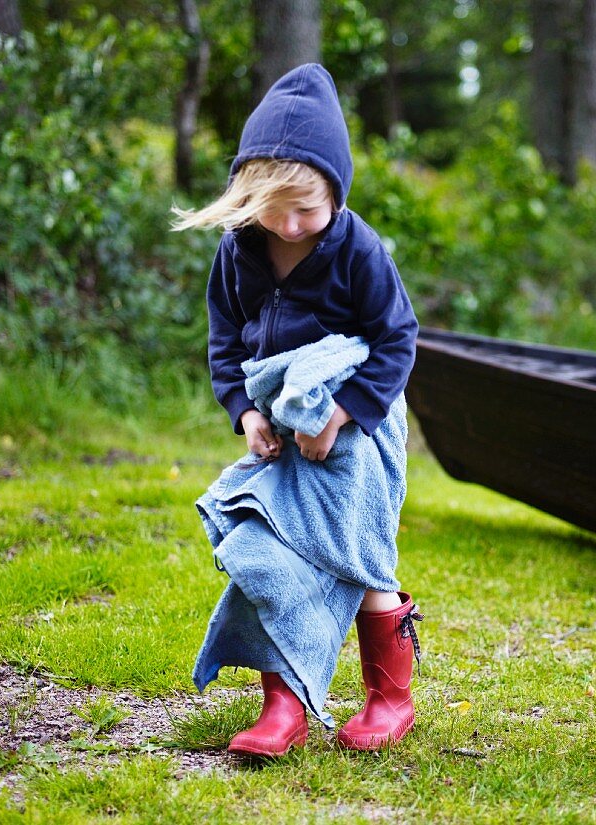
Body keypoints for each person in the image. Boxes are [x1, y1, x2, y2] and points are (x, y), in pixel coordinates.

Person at [172, 63, 421, 756]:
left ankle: (388, 699)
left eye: (306, 210)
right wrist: (243, 413)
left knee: (360, 555)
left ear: (337, 194)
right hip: (281, 428)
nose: (288, 226)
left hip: (359, 422)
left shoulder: (358, 250)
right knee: (274, 555)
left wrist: (341, 412)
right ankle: (282, 705)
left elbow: (398, 337)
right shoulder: (240, 252)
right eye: (271, 209)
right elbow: (227, 339)